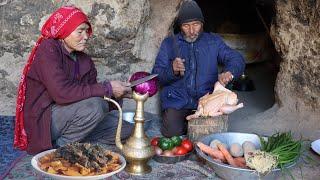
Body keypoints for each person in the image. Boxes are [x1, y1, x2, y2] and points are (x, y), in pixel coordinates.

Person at [14, 6, 133, 154]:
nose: (86, 36)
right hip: (44, 120)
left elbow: (92, 95)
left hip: (73, 117)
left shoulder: (85, 60)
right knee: (95, 106)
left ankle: (78, 137)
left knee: (126, 129)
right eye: (80, 31)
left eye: (86, 31)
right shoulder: (48, 49)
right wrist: (107, 88)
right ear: (64, 31)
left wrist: (116, 95)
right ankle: (60, 148)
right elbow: (61, 93)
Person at [152, 0, 245, 137]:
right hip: (178, 101)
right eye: (186, 26)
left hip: (206, 100)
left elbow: (237, 58)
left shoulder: (213, 41)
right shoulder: (169, 43)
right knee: (171, 132)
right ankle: (190, 125)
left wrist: (229, 72)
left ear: (202, 24)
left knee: (211, 134)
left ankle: (194, 124)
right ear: (180, 26)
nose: (191, 31)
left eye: (196, 24)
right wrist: (171, 70)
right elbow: (156, 76)